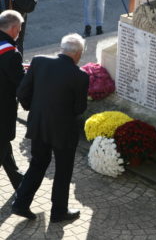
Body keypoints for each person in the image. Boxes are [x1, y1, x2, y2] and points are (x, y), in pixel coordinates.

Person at [12, 34, 89, 222]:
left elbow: (22, 92)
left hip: (39, 124)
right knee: (63, 171)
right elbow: (79, 108)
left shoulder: (39, 61)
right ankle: (59, 211)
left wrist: (35, 109)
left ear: (62, 49)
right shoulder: (80, 76)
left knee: (37, 163)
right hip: (63, 131)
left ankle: (21, 203)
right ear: (78, 54)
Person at [0, 10, 25, 191]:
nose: (20, 32)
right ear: (14, 28)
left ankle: (17, 179)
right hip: (2, 109)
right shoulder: (11, 53)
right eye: (20, 28)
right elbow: (20, 83)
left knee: (3, 145)